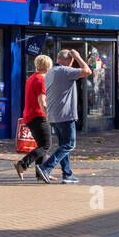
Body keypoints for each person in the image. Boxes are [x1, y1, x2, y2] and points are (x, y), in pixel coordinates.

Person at [38, 48, 91, 184]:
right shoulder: (64, 71)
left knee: (63, 144)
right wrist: (78, 57)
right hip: (65, 115)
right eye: (72, 60)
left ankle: (67, 174)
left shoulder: (51, 72)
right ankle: (45, 168)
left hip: (54, 115)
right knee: (69, 144)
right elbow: (87, 71)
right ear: (69, 60)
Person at [15, 54, 53, 182]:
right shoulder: (40, 79)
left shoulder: (31, 78)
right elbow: (42, 101)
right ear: (47, 66)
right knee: (46, 145)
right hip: (38, 115)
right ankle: (22, 164)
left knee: (41, 145)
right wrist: (48, 116)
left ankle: (40, 174)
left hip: (30, 115)